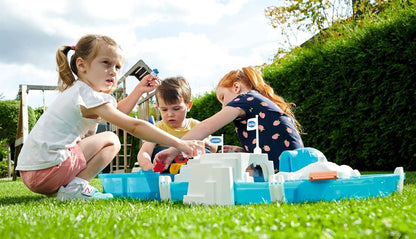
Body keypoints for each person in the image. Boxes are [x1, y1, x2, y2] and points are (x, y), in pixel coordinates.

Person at [15, 34, 203, 201]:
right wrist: (180, 144)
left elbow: (118, 113)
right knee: (111, 140)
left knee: (92, 138)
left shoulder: (80, 92)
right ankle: (77, 186)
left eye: (117, 66)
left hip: (31, 173)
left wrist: (139, 90)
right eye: (106, 63)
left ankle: (68, 188)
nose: (113, 71)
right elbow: (134, 126)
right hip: (48, 171)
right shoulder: (87, 95)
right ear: (81, 65)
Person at [154, 66, 304, 175]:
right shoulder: (258, 103)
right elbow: (268, 142)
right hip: (292, 165)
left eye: (223, 98)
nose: (223, 106)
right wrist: (244, 152)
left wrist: (174, 149)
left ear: (236, 87)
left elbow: (206, 127)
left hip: (281, 171)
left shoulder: (244, 99)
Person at [137, 76, 216, 172]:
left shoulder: (197, 126)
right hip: (165, 174)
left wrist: (205, 143)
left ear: (188, 106)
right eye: (164, 109)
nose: (170, 114)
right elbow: (144, 151)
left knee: (201, 150)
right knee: (160, 152)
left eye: (176, 108)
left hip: (193, 171)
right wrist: (148, 166)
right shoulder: (157, 128)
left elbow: (213, 148)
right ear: (158, 108)